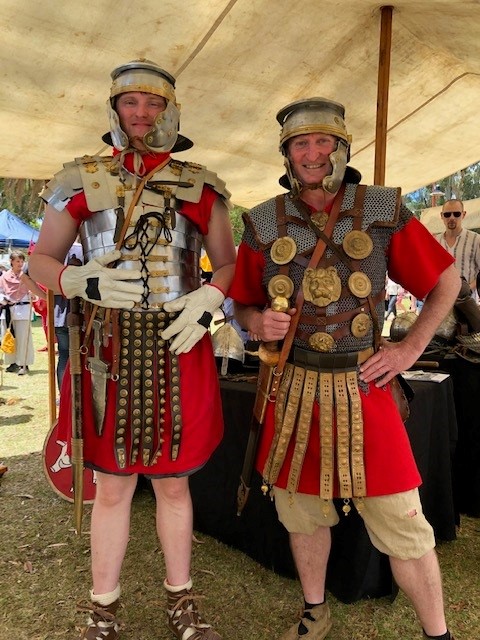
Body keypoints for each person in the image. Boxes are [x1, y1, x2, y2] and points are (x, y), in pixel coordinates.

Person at [230, 98, 460, 640]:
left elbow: (446, 283)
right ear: (287, 153)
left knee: (405, 522)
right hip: (294, 393)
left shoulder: (381, 209)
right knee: (302, 515)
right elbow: (239, 303)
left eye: (321, 142)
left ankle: (439, 635)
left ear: (341, 147)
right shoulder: (264, 221)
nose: (311, 154)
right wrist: (254, 321)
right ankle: (315, 611)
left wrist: (407, 351)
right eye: (300, 144)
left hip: (365, 386)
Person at [29, 58, 236, 640]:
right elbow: (41, 260)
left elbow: (228, 263)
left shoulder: (201, 183)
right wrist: (78, 280)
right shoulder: (79, 177)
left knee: (174, 483)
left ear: (171, 111)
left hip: (179, 342)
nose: (141, 114)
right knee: (114, 484)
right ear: (114, 110)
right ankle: (102, 608)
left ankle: (182, 602)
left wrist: (211, 299)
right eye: (130, 103)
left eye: (153, 104)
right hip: (107, 348)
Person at [435, 198, 480, 297]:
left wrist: (468, 288)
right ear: (442, 216)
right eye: (447, 214)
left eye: (456, 214)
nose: (452, 218)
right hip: (440, 300)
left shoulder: (475, 240)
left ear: (463, 215)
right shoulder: (435, 241)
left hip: (467, 301)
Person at [0, 250, 35, 374]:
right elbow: (0, 292)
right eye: (17, 261)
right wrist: (3, 299)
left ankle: (23, 363)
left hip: (23, 310)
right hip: (9, 310)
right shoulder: (3, 277)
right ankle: (12, 362)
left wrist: (32, 294)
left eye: (22, 261)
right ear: (11, 262)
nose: (20, 264)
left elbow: (33, 291)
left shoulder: (26, 277)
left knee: (23, 337)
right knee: (9, 336)